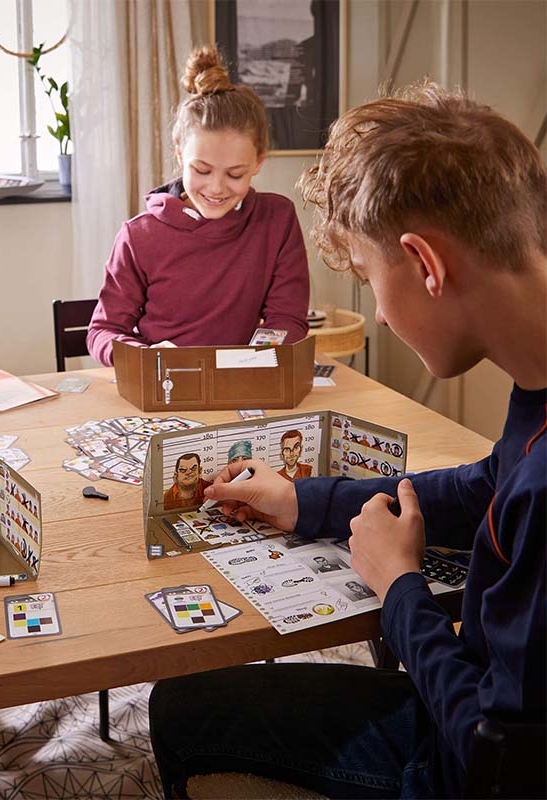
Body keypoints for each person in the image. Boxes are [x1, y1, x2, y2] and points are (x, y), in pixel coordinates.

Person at [149, 81, 546, 798]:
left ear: (426, 265)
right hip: (467, 715)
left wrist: (398, 587)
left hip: (456, 765)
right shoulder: (538, 381)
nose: (382, 320)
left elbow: (499, 757)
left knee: (178, 711)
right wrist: (305, 501)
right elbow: (484, 486)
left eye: (366, 277)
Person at [86, 45, 309, 366]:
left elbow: (287, 317)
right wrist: (146, 358)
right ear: (179, 154)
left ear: (258, 162)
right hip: (163, 387)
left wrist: (253, 362)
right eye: (201, 171)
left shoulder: (278, 219)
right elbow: (103, 331)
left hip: (244, 382)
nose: (216, 188)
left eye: (235, 174)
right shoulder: (138, 236)